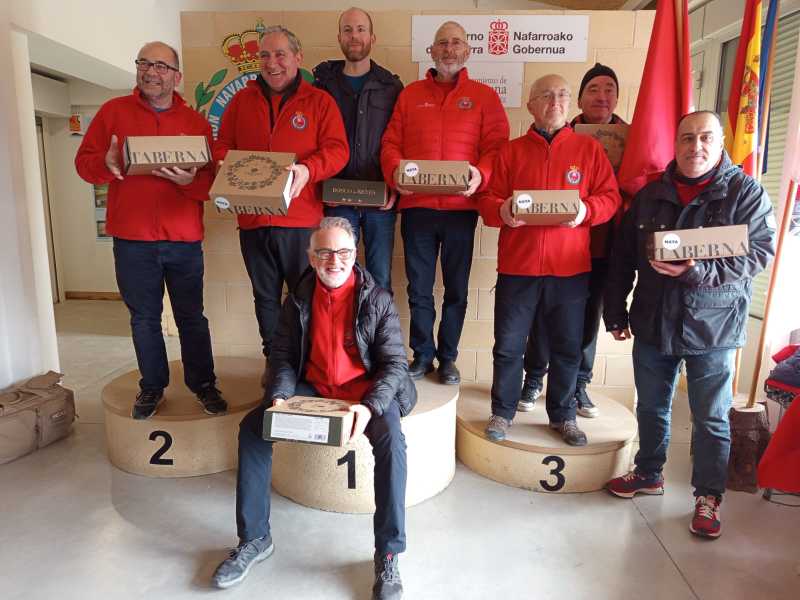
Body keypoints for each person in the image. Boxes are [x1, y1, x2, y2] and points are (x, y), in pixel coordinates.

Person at [211, 217, 415, 600]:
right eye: (324, 252)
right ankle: (254, 538)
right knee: (253, 430)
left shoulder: (378, 298)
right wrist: (280, 396)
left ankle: (388, 553)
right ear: (311, 257)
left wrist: (369, 408)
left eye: (343, 252)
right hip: (317, 387)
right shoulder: (298, 298)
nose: (334, 261)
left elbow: (394, 364)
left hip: (365, 391)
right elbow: (283, 355)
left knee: (392, 441)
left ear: (355, 254)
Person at [603, 111, 776, 538]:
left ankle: (708, 496)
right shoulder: (650, 195)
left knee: (711, 418)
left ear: (720, 143)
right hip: (652, 322)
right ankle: (649, 473)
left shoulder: (745, 193)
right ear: (675, 143)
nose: (695, 146)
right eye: (686, 138)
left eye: (705, 138)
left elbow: (760, 254)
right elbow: (622, 258)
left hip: (714, 328)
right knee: (651, 406)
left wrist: (699, 272)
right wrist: (615, 312)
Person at [75, 41, 226, 419]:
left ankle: (204, 384)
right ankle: (153, 386)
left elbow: (209, 184)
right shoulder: (113, 112)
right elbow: (84, 165)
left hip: (183, 240)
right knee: (144, 319)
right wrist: (107, 164)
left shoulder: (195, 123)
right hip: (133, 240)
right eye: (144, 63)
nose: (150, 71)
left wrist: (189, 182)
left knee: (192, 317)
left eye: (160, 66)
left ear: (177, 76)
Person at [480, 75, 621, 446]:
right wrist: (502, 210)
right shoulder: (510, 152)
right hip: (518, 269)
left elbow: (610, 199)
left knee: (567, 348)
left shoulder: (589, 150)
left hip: (570, 270)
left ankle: (563, 416)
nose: (554, 101)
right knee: (507, 346)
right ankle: (502, 412)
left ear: (570, 103)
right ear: (530, 105)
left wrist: (585, 211)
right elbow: (487, 202)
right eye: (545, 95)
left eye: (561, 94)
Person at [214, 26, 349, 386]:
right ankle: (277, 364)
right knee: (265, 299)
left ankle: (312, 363)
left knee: (309, 298)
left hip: (301, 222)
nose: (271, 63)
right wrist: (227, 165)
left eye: (280, 54)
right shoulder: (241, 102)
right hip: (253, 221)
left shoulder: (320, 102)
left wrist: (309, 169)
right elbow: (222, 145)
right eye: (264, 55)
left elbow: (338, 150)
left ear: (297, 58)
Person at [380, 20, 509, 385]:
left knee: (456, 290)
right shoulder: (410, 95)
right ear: (431, 51)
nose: (449, 49)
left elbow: (497, 146)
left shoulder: (484, 97)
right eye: (442, 43)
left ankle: (448, 358)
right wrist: (395, 173)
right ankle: (422, 355)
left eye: (456, 43)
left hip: (461, 211)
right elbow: (390, 144)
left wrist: (481, 174)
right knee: (419, 289)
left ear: (467, 51)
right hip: (417, 209)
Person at [521, 63, 627, 418]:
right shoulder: (562, 133)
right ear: (579, 99)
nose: (602, 96)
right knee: (541, 316)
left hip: (605, 244)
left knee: (587, 319)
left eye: (609, 89)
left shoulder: (633, 138)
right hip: (557, 246)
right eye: (593, 89)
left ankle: (579, 383)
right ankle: (534, 376)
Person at [313, 7, 404, 291]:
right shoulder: (323, 85)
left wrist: (396, 187)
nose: (354, 36)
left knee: (380, 279)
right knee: (336, 277)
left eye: (361, 29)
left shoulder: (391, 86)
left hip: (380, 200)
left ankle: (377, 324)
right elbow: (314, 140)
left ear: (372, 37)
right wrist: (319, 184)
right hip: (336, 198)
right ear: (339, 37)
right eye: (348, 30)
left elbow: (400, 140)